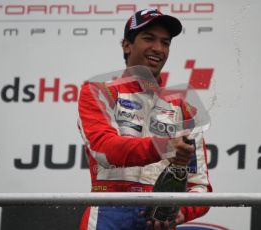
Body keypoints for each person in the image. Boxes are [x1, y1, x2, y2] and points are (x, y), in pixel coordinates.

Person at [78, 8, 212, 230]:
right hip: (107, 212)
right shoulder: (99, 92)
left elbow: (200, 186)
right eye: (149, 38)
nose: (158, 49)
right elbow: (105, 149)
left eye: (165, 42)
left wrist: (181, 211)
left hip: (157, 219)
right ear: (127, 45)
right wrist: (164, 146)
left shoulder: (184, 108)